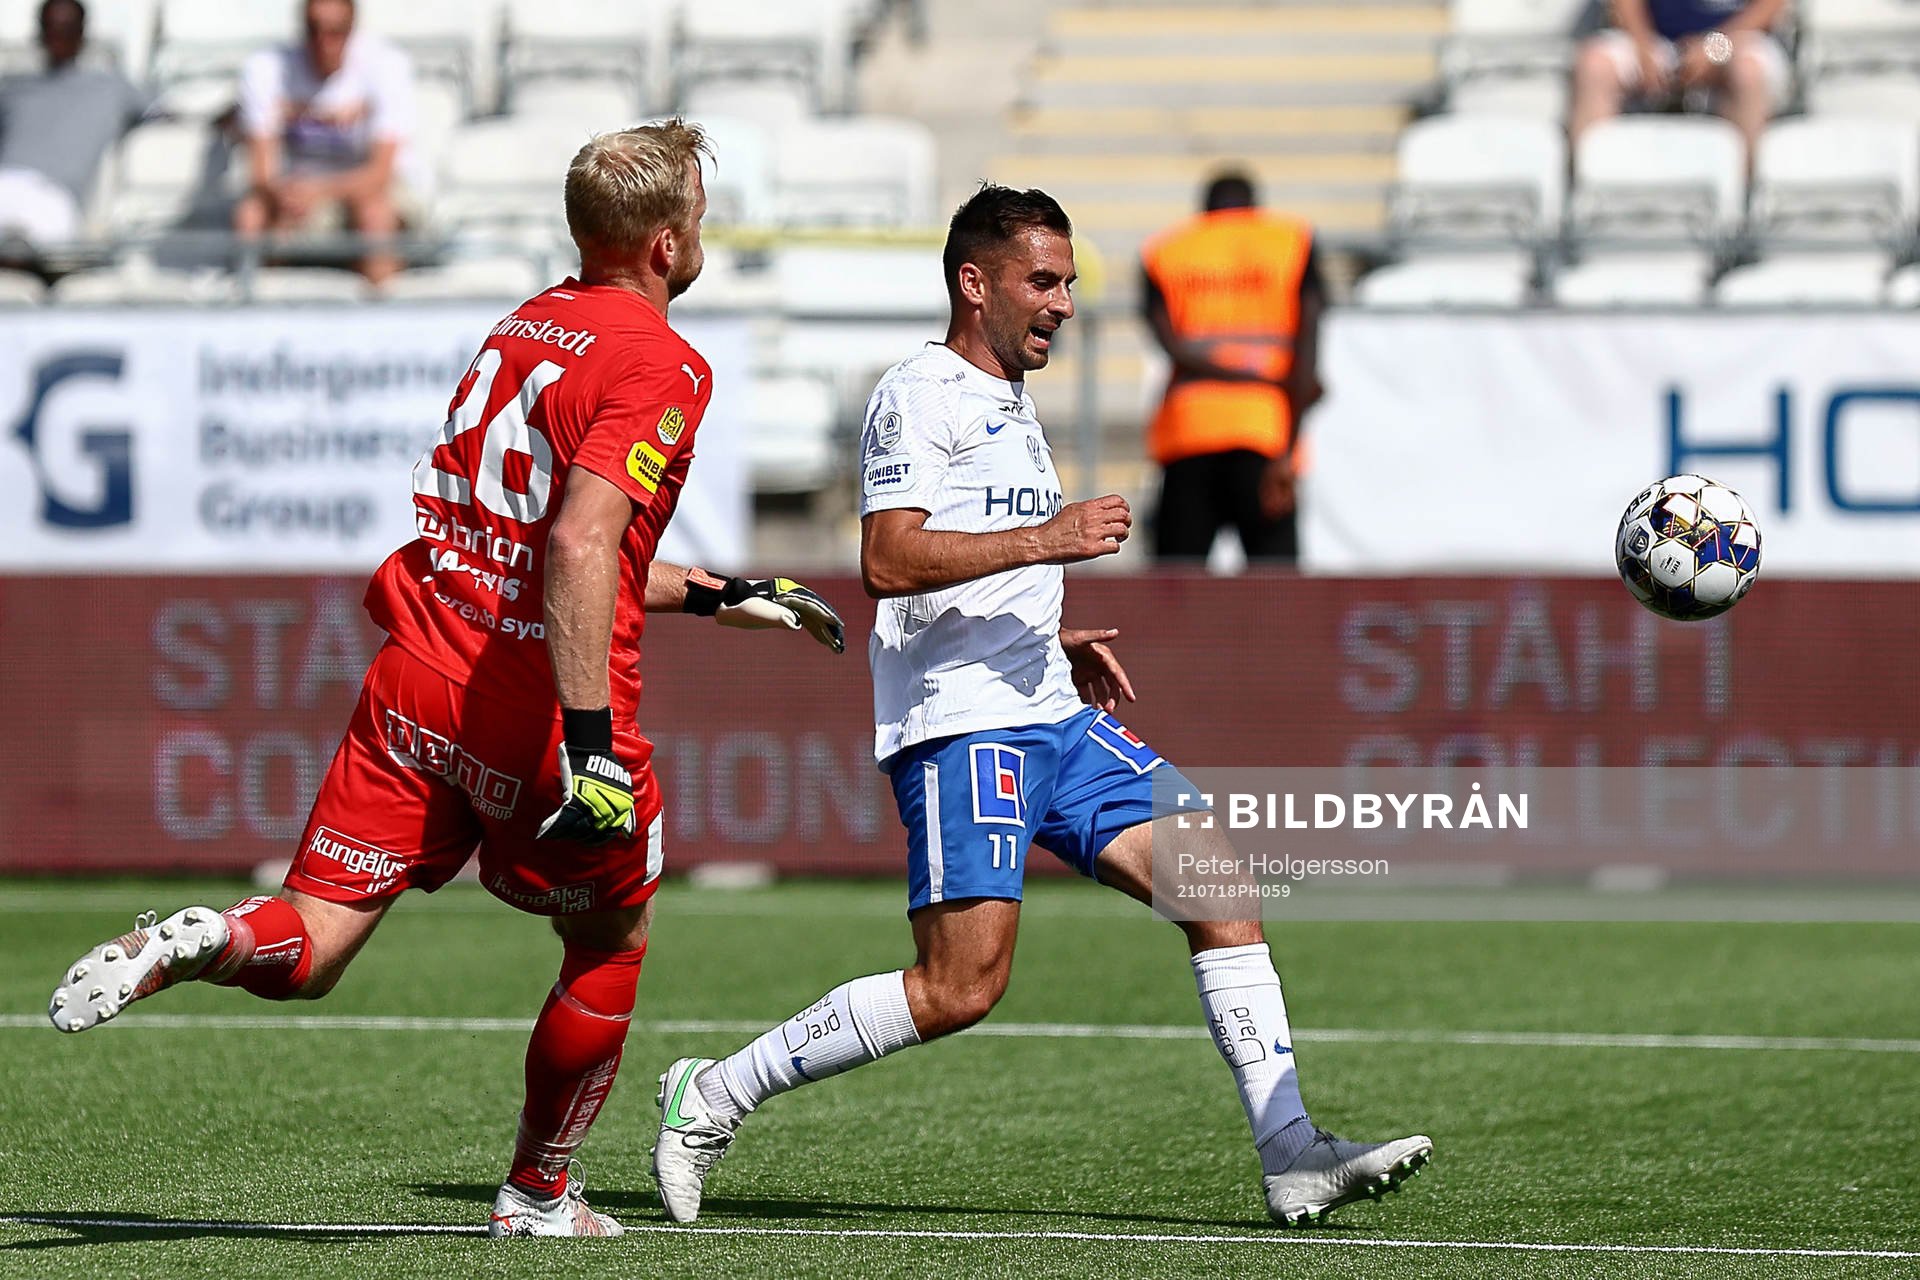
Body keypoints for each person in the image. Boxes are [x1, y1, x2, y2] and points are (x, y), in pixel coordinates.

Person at [47, 120, 848, 1239]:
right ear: (669, 244)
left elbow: (546, 546)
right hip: (536, 708)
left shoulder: (523, 324)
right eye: (701, 217)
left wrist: (720, 593)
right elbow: (575, 548)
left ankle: (201, 936)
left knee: (312, 937)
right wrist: (586, 737)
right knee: (608, 942)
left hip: (419, 670)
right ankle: (537, 1192)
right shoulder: (664, 361)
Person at [650, 185, 1431, 1229]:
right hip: (962, 720)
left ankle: (1293, 1151)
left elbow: (965, 559)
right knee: (960, 985)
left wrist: (1044, 624)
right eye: (1044, 280)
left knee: (1222, 881)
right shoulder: (920, 392)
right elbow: (887, 557)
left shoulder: (1010, 403)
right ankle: (715, 1090)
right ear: (975, 283)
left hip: (1048, 705)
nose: (1063, 301)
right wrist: (1047, 542)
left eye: (1067, 281)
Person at [1140, 171, 1323, 567]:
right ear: (1254, 207)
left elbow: (1170, 346)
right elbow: (1308, 341)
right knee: (1276, 589)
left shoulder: (1167, 250)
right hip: (1265, 428)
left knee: (1175, 584)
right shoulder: (1291, 242)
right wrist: (1288, 453)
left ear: (1205, 211)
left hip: (1190, 430)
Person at [234, 0, 426, 284]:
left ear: (352, 30)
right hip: (299, 189)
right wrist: (286, 196)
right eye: (314, 30)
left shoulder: (387, 65)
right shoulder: (265, 68)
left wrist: (316, 192)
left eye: (336, 31)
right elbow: (262, 172)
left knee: (373, 215)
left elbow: (380, 173)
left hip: (371, 188)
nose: (324, 42)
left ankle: (381, 313)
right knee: (251, 215)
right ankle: (255, 312)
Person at [0, 0, 152, 250]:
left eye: (67, 28)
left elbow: (166, 116)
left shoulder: (113, 88)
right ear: (39, 32)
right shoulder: (12, 88)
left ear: (82, 32)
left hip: (52, 198)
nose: (58, 36)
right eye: (51, 27)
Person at [1570, 0, 1790, 153]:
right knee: (1595, 65)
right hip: (1657, 41)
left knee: (1748, 72)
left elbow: (1771, 6)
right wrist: (1642, 46)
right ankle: (1589, 193)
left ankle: (1745, 193)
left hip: (1734, 39)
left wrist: (1714, 46)